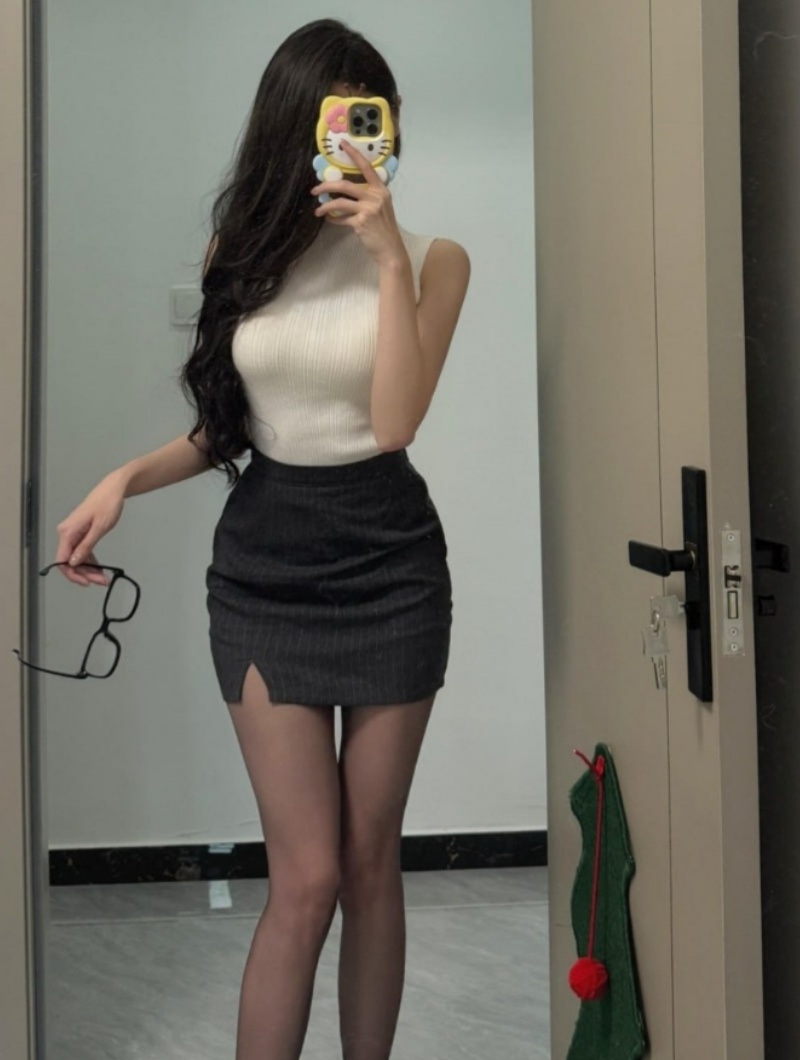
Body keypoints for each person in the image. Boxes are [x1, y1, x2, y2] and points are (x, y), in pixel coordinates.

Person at [52, 17, 470, 1060]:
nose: (359, 138)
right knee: (307, 878)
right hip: (264, 576)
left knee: (370, 864)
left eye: (375, 117)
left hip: (392, 570)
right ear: (294, 129)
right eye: (337, 119)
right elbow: (227, 430)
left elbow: (394, 424)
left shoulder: (436, 262)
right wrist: (123, 479)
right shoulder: (236, 258)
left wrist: (386, 257)